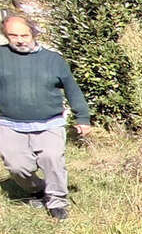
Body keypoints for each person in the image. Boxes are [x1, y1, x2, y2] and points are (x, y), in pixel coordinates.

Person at [0, 14, 91, 220]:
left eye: (24, 34)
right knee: (17, 166)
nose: (20, 39)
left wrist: (82, 117)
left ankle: (57, 202)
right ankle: (38, 189)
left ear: (33, 33)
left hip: (49, 122)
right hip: (9, 123)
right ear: (6, 35)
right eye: (13, 35)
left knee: (52, 159)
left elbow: (72, 89)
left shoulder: (52, 60)